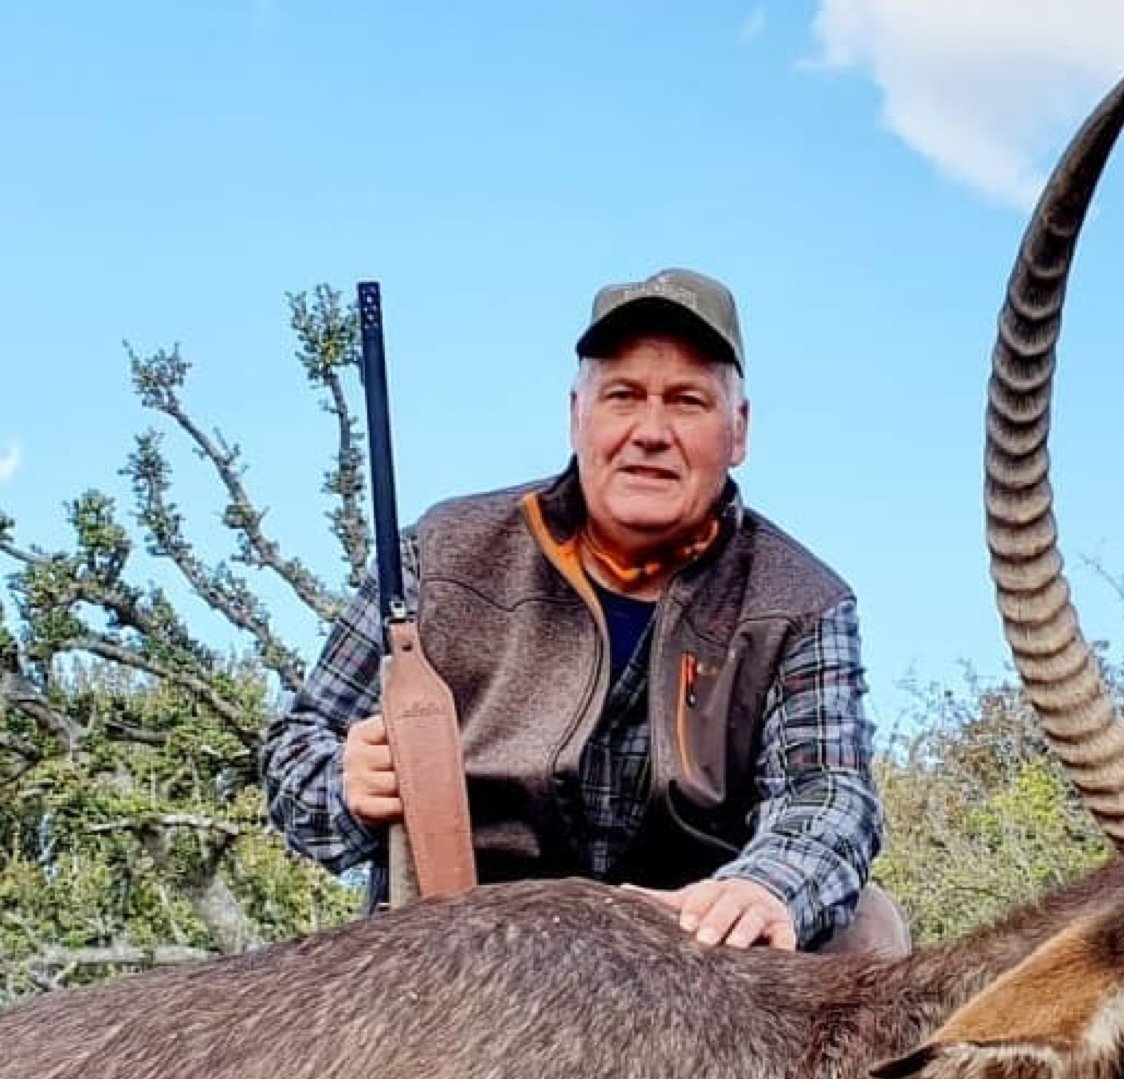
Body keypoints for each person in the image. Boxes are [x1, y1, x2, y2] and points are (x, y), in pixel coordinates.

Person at [262, 267, 904, 956]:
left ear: (738, 429)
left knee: (867, 926)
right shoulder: (439, 554)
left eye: (687, 402)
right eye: (623, 396)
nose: (651, 431)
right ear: (577, 415)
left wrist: (766, 886)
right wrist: (346, 785)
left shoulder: (803, 601)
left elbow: (829, 794)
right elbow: (298, 750)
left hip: (692, 945)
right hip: (466, 939)